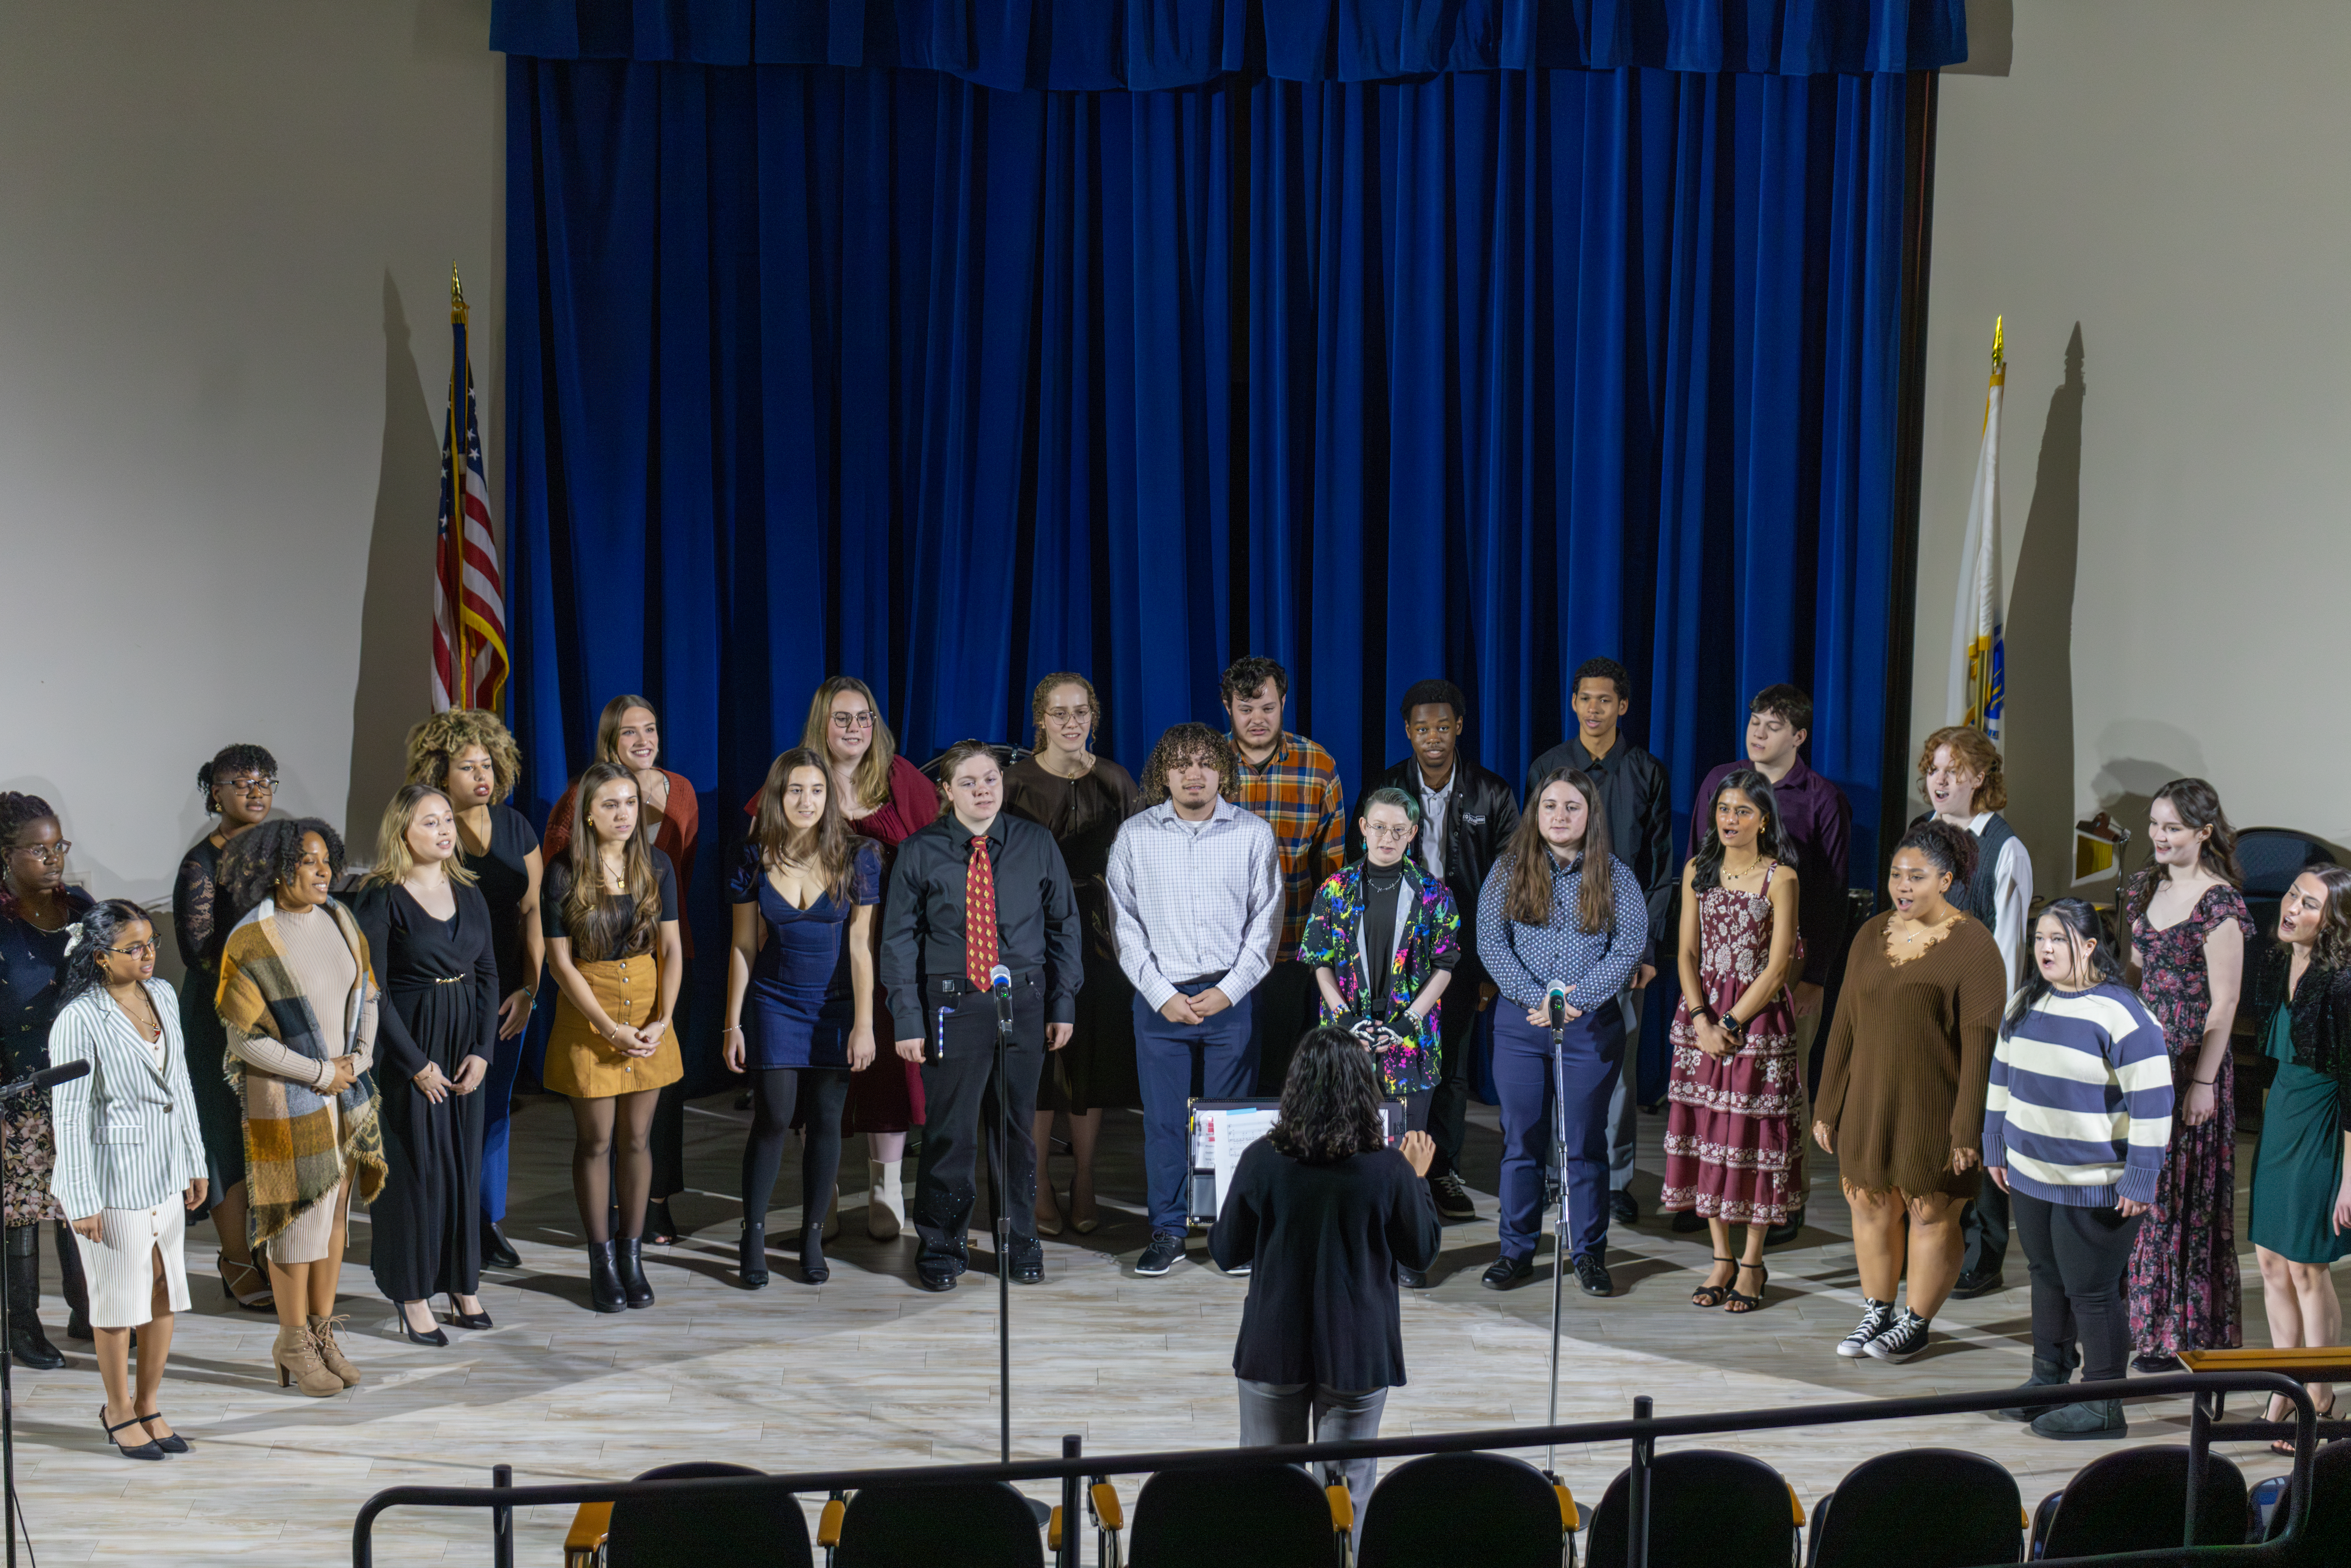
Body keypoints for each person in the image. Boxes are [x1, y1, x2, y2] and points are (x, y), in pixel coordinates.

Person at [1208, 1026, 1441, 1536]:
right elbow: (1421, 1253)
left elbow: (1226, 1253)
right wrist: (1418, 1180)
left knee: (1271, 1498)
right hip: (1357, 1352)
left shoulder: (1261, 1159)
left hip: (1274, 1346)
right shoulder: (1389, 1169)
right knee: (1347, 1501)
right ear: (1364, 1090)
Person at [879, 741, 1081, 1293]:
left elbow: (1064, 926)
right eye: (968, 782)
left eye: (990, 779)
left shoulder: (1035, 844)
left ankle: (1020, 1241)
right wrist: (908, 1019)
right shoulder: (920, 851)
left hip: (1024, 1002)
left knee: (1016, 1129)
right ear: (947, 790)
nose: (982, 790)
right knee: (951, 1132)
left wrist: (1062, 1003)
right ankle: (943, 1245)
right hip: (951, 1005)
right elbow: (898, 940)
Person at [746, 678, 938, 1241]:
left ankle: (885, 1186)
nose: (855, 728)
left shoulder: (903, 780)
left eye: (864, 717)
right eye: (842, 718)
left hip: (889, 953)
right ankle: (822, 1191)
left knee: (890, 1071)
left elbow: (935, 862)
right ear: (821, 724)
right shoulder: (799, 781)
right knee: (815, 1074)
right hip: (811, 956)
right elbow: (760, 861)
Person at [1813, 820, 2006, 1364]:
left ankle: (1917, 1322)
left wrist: (1969, 1127)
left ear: (1946, 881)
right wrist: (1828, 1102)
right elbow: (1845, 1021)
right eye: (1897, 874)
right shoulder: (1871, 934)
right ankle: (1878, 1311)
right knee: (1870, 1204)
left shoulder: (1974, 945)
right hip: (1870, 1099)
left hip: (1937, 1104)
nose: (1903, 885)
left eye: (1916, 877)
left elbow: (1982, 1044)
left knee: (1931, 1211)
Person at [1983, 900, 2172, 1440]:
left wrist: (2141, 1176)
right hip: (2031, 1173)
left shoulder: (2123, 1012)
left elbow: (2154, 1101)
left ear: (2090, 947)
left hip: (2096, 1182)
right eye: (2040, 938)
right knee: (2046, 1276)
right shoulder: (2026, 1001)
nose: (2046, 949)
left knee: (2092, 1290)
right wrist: (1995, 1145)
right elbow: (2001, 1076)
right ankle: (2049, 1379)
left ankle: (2104, 1404)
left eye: (2059, 940)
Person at [216, 818, 386, 1398]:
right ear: (276, 868)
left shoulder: (341, 918)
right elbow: (243, 1039)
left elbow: (367, 994)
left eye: (326, 860)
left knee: (334, 1218)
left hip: (345, 1090)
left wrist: (360, 1058)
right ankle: (291, 1340)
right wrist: (319, 1073)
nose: (323, 871)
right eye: (308, 861)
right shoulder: (252, 938)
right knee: (295, 1221)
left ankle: (321, 1330)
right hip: (291, 1096)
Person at [1107, 724, 1282, 1278]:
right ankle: (1168, 1231)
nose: (1194, 774)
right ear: (1164, 773)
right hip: (1160, 1000)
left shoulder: (1253, 834)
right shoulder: (1135, 836)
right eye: (1181, 764)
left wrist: (1230, 990)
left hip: (1231, 996)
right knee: (1164, 1123)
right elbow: (1124, 926)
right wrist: (1162, 995)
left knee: (1228, 1125)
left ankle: (1230, 1232)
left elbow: (1266, 925)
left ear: (1223, 771)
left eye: (1206, 763)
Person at [1681, 686, 1850, 1245]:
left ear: (1798, 736)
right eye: (1755, 721)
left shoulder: (1822, 798)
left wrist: (1816, 977)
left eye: (1773, 725)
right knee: (1711, 1088)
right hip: (1716, 970)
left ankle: (1781, 1201)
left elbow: (1831, 897)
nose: (1758, 732)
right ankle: (1711, 1194)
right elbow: (1698, 864)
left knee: (1777, 1094)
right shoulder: (1720, 780)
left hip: (1785, 972)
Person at [1350, 680, 1519, 1223]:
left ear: (1459, 728)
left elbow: (1510, 886)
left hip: (1462, 955)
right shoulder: (1384, 788)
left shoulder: (1492, 793)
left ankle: (1442, 1170)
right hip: (1392, 956)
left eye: (1444, 727)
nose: (1434, 738)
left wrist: (1491, 969)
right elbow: (1360, 872)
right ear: (1408, 731)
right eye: (1423, 728)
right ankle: (1380, 1168)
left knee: (1449, 1067)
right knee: (1386, 1061)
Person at [1475, 769, 1648, 1298]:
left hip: (1588, 1025)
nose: (1560, 816)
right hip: (1522, 1024)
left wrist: (1576, 1000)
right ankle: (1516, 1251)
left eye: (1572, 807)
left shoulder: (1616, 877)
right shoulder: (1508, 869)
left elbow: (1628, 948)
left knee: (1584, 1141)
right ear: (1536, 812)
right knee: (1522, 1139)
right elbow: (1491, 943)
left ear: (1590, 814)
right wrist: (1538, 1000)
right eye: (1550, 805)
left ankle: (1589, 1253)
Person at [47, 901, 209, 1458]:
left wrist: (194, 1159)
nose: (148, 955)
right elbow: (69, 1115)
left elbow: (180, 1081)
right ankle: (117, 1409)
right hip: (112, 1180)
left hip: (164, 1170)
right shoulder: (79, 1018)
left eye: (151, 943)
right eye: (134, 947)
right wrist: (81, 1198)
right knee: (118, 1301)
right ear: (100, 956)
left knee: (164, 1288)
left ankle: (149, 1402)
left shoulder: (162, 994)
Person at [543, 695, 701, 1244]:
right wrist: (608, 1027)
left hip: (652, 981)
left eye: (650, 729)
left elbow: (673, 929)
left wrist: (663, 1017)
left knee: (644, 1132)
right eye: (629, 732)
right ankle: (602, 1251)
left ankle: (641, 1230)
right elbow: (561, 953)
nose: (643, 740)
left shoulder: (662, 847)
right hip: (594, 994)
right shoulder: (566, 863)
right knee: (597, 1139)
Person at [722, 747, 879, 1288]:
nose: (806, 801)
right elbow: (743, 945)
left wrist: (865, 1024)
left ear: (829, 797)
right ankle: (753, 1235)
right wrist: (733, 1023)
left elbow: (861, 947)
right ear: (778, 796)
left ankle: (814, 1237)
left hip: (836, 1006)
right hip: (773, 1002)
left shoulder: (859, 856)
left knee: (827, 1122)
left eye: (816, 790)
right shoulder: (751, 856)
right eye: (795, 790)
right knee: (773, 1116)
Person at [1524, 658, 1672, 1226]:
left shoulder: (1646, 772)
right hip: (1551, 942)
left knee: (1617, 1070)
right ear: (1573, 702)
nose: (1594, 709)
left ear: (1623, 706)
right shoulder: (1548, 767)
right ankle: (1554, 1174)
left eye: (1605, 700)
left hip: (1621, 946)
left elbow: (1661, 869)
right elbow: (1528, 856)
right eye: (1585, 698)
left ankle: (1612, 1180)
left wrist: (1645, 949)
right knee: (1550, 1062)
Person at [347, 786, 498, 1344]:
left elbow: (488, 974)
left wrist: (483, 1050)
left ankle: (462, 1284)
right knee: (414, 1175)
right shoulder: (381, 896)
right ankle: (411, 1294)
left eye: (447, 820)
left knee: (461, 1169)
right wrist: (414, 1063)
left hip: (464, 1050)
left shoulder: (470, 891)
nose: (444, 830)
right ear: (402, 832)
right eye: (429, 822)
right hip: (408, 1049)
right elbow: (374, 989)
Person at [404, 709, 543, 1271]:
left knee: (493, 1110)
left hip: (508, 997)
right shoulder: (430, 830)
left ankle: (486, 1221)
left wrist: (531, 988)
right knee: (445, 1111)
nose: (481, 775)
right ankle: (444, 1222)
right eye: (467, 767)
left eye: (487, 764)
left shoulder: (517, 827)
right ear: (439, 772)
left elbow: (534, 912)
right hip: (448, 994)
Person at [1002, 674, 1140, 1238]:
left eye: (1081, 712)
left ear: (1094, 716)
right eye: (1059, 713)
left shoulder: (1116, 779)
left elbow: (1136, 860)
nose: (1071, 722)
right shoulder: (1014, 783)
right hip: (1032, 930)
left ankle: (1085, 1177)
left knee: (1089, 1063)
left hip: (1099, 933)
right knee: (1041, 1064)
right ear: (1041, 719)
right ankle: (1037, 1182)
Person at [1301, 788, 1458, 1283]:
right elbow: (1320, 963)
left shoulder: (1434, 894)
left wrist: (1408, 1022)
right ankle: (1348, 1251)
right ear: (1363, 829)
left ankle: (1408, 1253)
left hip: (1409, 1042)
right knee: (1343, 1146)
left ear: (1413, 834)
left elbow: (1445, 966)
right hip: (1348, 1040)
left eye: (1399, 830)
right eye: (1379, 827)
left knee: (1406, 1152)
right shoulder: (1335, 890)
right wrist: (1346, 1020)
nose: (1388, 838)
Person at [2122, 777, 2253, 1369]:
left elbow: (2225, 1004)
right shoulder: (2142, 887)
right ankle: (2141, 1321)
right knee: (2142, 1191)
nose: (2159, 835)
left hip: (2191, 1062)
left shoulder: (2219, 903)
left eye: (2172, 827)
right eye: (2155, 824)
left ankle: (2179, 1332)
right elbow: (2134, 976)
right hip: (2145, 1059)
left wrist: (2201, 1082)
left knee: (2181, 1198)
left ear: (2203, 833)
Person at [1663, 771, 1801, 1313]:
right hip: (1700, 1018)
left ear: (1764, 820)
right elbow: (1686, 953)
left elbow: (1778, 967)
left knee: (1753, 1140)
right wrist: (1702, 1021)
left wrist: (1732, 1023)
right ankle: (1720, 1258)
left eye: (1743, 811)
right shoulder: (1698, 870)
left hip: (1757, 1023)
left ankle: (1752, 1262)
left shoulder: (1781, 878)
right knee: (1707, 1136)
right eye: (1724, 808)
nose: (1731, 819)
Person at [1915, 724, 2034, 1297]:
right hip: (1923, 1011)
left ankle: (1984, 1253)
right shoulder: (1922, 836)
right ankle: (1932, 1242)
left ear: (1981, 777)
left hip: (1975, 1017)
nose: (1939, 781)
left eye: (1953, 770)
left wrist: (1990, 1028)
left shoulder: (2005, 849)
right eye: (1933, 770)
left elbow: (2009, 950)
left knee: (1977, 1133)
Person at [2245, 866, 2351, 1447]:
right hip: (2281, 1117)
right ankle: (2285, 1386)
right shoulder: (2276, 960)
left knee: (2307, 1265)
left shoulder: (2343, 982)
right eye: (2292, 894)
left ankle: (2319, 1392)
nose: (2291, 908)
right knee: (2270, 1261)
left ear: (2331, 921)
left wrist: (2350, 1178)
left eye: (2309, 904)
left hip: (2322, 1123)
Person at [173, 743, 278, 1311]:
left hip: (278, 1011)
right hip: (219, 1013)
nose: (257, 792)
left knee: (267, 1133)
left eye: (266, 782)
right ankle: (235, 1257)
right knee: (225, 1134)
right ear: (216, 793)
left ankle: (267, 1250)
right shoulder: (201, 864)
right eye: (243, 783)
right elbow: (198, 953)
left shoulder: (281, 850)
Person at [1221, 656, 1347, 1097]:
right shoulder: (1206, 765)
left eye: (1268, 708)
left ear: (1284, 703)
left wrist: (1329, 945)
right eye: (1246, 709)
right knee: (1227, 1072)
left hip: (1289, 946)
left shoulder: (1318, 765)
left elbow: (1333, 868)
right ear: (1228, 707)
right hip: (1221, 948)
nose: (1257, 719)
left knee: (1282, 1069)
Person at [0, 790, 94, 1369]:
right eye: (39, 849)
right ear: (6, 855)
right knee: (23, 1212)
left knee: (79, 1199)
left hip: (80, 1082)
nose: (54, 857)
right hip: (17, 1087)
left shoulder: (82, 908)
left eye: (59, 845)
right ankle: (23, 1326)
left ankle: (87, 1310)